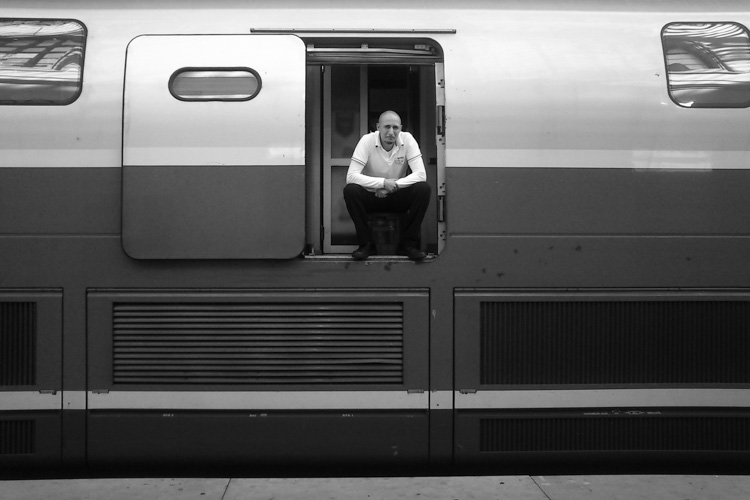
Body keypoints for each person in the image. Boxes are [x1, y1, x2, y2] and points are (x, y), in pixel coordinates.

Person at [343, 110, 431, 261]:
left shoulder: (407, 139)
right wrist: (382, 183)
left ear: (401, 128)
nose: (391, 132)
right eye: (387, 127)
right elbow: (351, 176)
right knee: (351, 190)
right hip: (371, 197)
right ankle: (366, 244)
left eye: (395, 128)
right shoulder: (367, 140)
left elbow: (421, 174)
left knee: (423, 188)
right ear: (378, 127)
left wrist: (394, 185)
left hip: (397, 196)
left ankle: (408, 244)